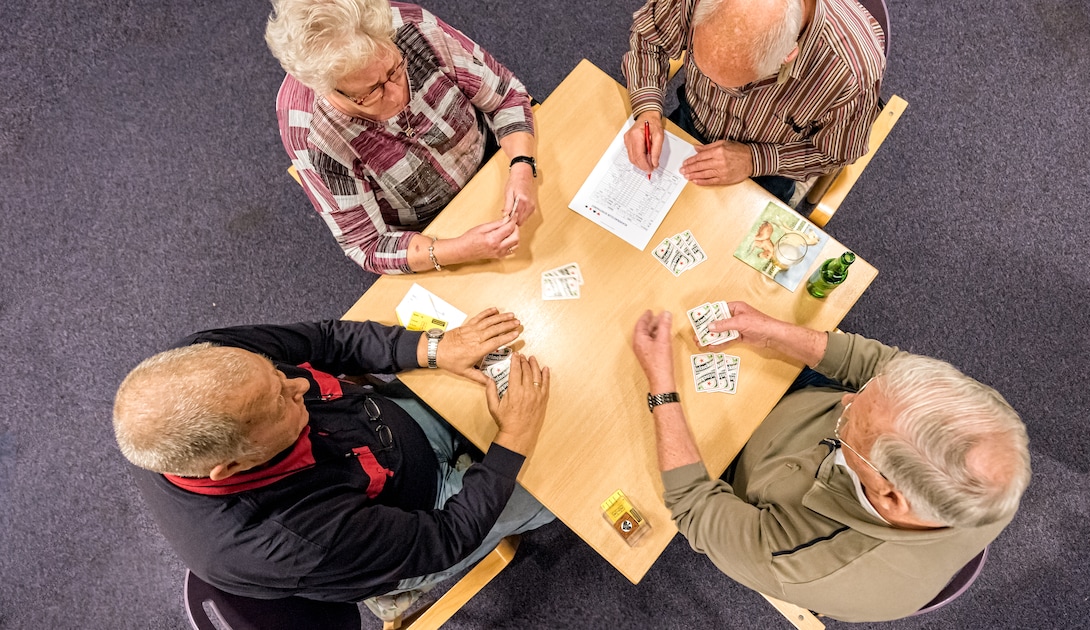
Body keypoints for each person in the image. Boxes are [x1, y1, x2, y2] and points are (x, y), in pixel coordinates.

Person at [112, 311, 554, 621]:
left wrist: (434, 347)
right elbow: (446, 536)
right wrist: (513, 438)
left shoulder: (206, 360)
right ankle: (391, 588)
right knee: (562, 483)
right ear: (230, 466)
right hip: (419, 521)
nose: (300, 384)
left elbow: (324, 340)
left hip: (383, 436)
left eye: (275, 372)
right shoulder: (290, 540)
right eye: (280, 402)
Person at [630, 303, 1031, 621]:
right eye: (864, 393)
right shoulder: (989, 430)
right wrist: (772, 332)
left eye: (849, 421)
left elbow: (694, 504)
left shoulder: (809, 564)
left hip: (735, 471)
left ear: (889, 496)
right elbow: (876, 366)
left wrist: (661, 386)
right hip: (792, 418)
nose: (845, 398)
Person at [266, 0, 539, 274]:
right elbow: (366, 245)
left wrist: (522, 166)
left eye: (395, 69)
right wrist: (457, 250)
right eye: (372, 91)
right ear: (328, 90)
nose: (397, 95)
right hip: (431, 229)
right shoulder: (313, 134)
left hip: (497, 158)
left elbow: (506, 96)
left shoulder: (410, 27)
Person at [622, 0, 886, 203]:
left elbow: (837, 152)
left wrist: (754, 159)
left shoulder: (852, 74)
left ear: (788, 55)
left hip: (768, 167)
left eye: (734, 82)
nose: (720, 91)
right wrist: (648, 110)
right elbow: (650, 37)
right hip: (692, 119)